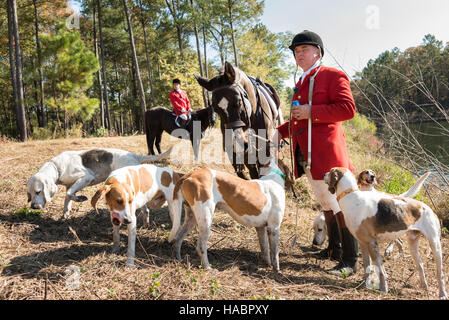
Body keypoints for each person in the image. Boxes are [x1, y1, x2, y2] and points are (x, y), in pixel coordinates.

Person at [276, 30, 359, 276]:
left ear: (318, 53)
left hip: (329, 156)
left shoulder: (333, 75)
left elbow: (347, 109)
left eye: (303, 49)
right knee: (326, 203)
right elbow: (300, 120)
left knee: (340, 205)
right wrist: (278, 133)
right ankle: (333, 250)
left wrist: (312, 110)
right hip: (307, 155)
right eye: (295, 51)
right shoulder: (301, 82)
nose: (298, 54)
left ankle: (350, 261)